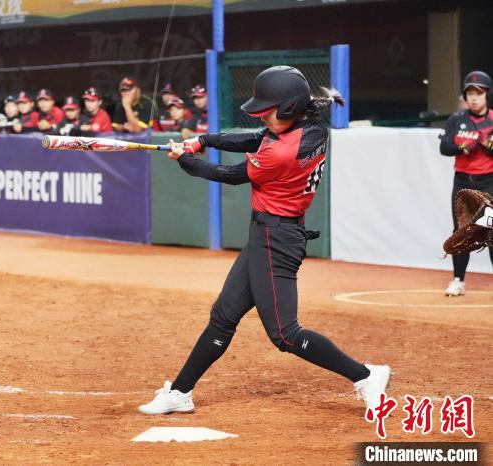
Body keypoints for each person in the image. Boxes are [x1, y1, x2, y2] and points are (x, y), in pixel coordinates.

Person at [138, 66, 391, 416]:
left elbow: (227, 174)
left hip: (277, 239)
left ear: (289, 108)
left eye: (268, 111)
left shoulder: (283, 152)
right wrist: (205, 140)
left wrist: (186, 160)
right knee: (224, 315)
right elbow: (255, 138)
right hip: (266, 234)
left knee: (285, 334)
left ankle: (366, 375)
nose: (264, 118)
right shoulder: (309, 125)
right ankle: (181, 391)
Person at [439, 70, 493, 296]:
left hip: (488, 183)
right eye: (470, 93)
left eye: (478, 93)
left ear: (486, 95)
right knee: (462, 232)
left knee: (491, 231)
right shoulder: (457, 120)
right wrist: (462, 148)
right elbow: (444, 148)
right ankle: (458, 280)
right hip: (462, 183)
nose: (473, 97)